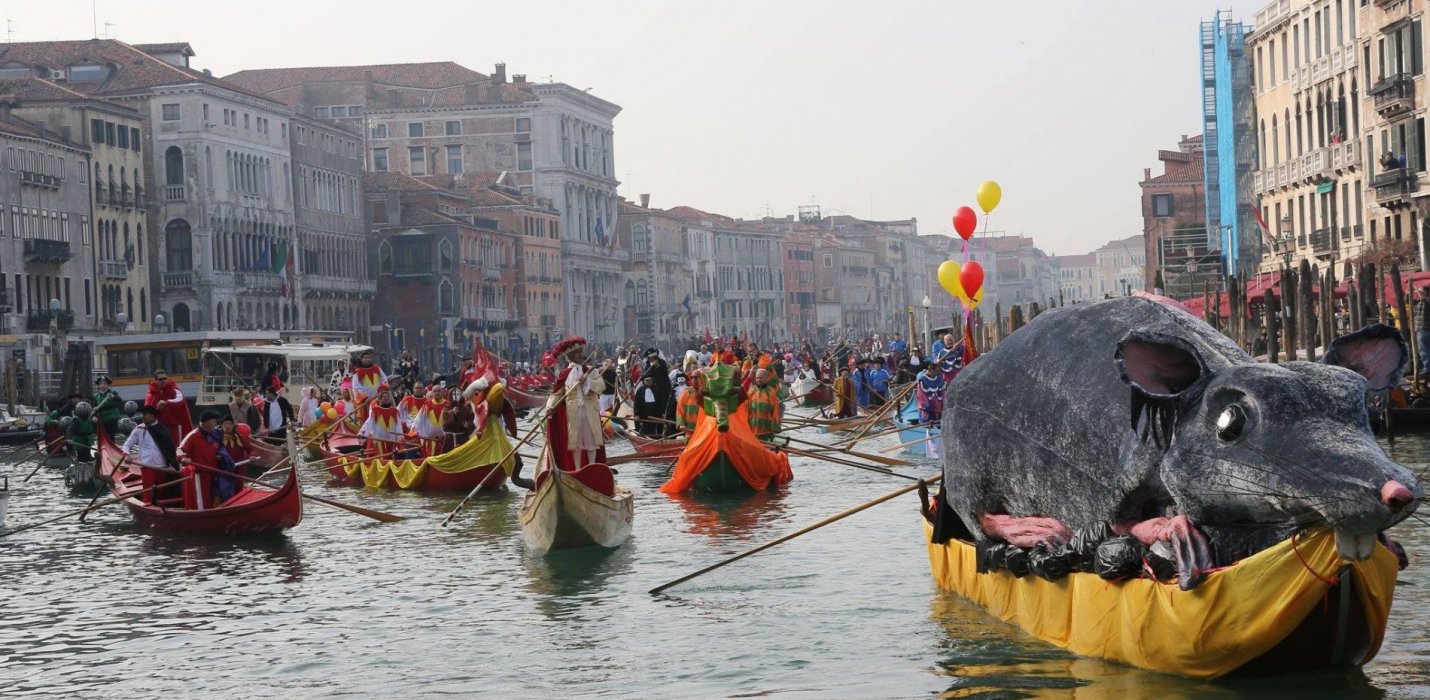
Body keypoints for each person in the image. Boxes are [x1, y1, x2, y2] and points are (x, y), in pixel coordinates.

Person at [543, 337, 608, 471]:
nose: (581, 355)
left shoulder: (591, 371)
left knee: (591, 441)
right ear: (570, 356)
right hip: (573, 413)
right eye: (577, 353)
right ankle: (578, 470)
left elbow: (601, 386)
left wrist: (588, 382)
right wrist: (550, 407)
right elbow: (556, 394)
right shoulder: (564, 374)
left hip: (590, 411)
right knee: (575, 443)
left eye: (581, 352)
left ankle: (592, 468)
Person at [179, 411, 240, 508]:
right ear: (206, 423)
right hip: (199, 475)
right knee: (201, 500)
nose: (216, 424)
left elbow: (218, 449)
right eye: (214, 421)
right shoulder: (193, 436)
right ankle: (202, 514)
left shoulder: (214, 435)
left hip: (214, 473)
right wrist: (183, 458)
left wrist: (220, 457)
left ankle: (215, 511)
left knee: (214, 498)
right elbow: (179, 450)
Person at [124, 404, 181, 504]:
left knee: (161, 493)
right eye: (142, 414)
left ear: (153, 415)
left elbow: (170, 450)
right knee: (148, 493)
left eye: (145, 414)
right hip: (146, 466)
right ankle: (148, 505)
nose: (142, 416)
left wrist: (172, 465)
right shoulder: (138, 429)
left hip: (162, 467)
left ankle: (161, 507)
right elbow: (126, 445)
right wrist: (127, 455)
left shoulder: (163, 429)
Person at [144, 369, 193, 443]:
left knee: (175, 446)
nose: (163, 381)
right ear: (155, 380)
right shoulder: (152, 394)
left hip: (173, 426)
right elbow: (148, 410)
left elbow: (180, 399)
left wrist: (167, 403)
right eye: (160, 379)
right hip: (159, 426)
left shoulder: (173, 389)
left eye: (165, 378)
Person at [359, 389, 407, 458]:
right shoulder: (375, 410)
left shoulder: (395, 411)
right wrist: (362, 434)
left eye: (388, 397)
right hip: (379, 441)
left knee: (390, 459)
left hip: (391, 441)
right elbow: (368, 423)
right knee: (380, 459)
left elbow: (398, 427)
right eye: (384, 397)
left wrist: (400, 439)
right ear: (380, 400)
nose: (386, 398)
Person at [746, 368, 784, 438]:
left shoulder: (771, 392)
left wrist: (776, 426)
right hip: (752, 427)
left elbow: (776, 410)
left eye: (760, 378)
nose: (758, 380)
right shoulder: (751, 391)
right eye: (757, 378)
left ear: (766, 378)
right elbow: (746, 408)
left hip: (766, 428)